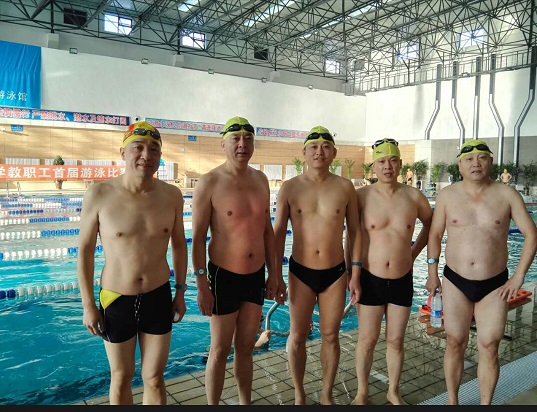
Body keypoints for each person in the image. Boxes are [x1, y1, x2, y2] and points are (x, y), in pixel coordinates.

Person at [77, 121, 188, 405]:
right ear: (123, 153)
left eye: (154, 149)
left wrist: (180, 292)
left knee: (154, 378)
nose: (146, 155)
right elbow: (85, 251)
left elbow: (179, 245)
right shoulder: (99, 194)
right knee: (121, 376)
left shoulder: (172, 195)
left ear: (160, 156)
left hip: (158, 295)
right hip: (116, 298)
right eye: (138, 147)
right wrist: (88, 305)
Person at [425, 139, 537, 405]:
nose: (476, 163)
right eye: (469, 159)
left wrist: (518, 276)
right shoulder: (447, 195)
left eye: (482, 158)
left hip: (495, 284)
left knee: (489, 346)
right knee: (455, 341)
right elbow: (435, 235)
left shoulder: (507, 195)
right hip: (455, 280)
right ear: (460, 165)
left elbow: (532, 235)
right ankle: (453, 401)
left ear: (490, 162)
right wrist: (432, 272)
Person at [191, 116, 284, 405]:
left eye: (248, 139)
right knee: (219, 350)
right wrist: (201, 285)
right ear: (224, 144)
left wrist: (274, 274)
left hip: (255, 276)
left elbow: (267, 231)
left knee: (245, 348)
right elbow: (197, 239)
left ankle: (245, 403)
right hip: (223, 276)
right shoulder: (209, 182)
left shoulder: (261, 180)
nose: (242, 144)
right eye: (236, 139)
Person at [274, 126, 362, 405]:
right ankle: (299, 394)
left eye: (326, 146)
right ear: (304, 152)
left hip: (335, 273)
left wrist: (355, 273)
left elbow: (355, 233)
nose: (319, 151)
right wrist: (275, 275)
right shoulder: (290, 188)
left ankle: (326, 395)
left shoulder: (345, 187)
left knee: (330, 336)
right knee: (297, 335)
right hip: (300, 272)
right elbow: (278, 234)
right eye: (314, 146)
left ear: (334, 153)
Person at [350, 138, 432, 405]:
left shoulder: (414, 197)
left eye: (393, 161)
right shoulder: (361, 196)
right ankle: (362, 392)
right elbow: (351, 237)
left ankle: (393, 392)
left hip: (402, 278)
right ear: (373, 165)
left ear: (400, 164)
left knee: (396, 340)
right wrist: (351, 273)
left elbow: (432, 226)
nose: (388, 166)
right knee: (367, 339)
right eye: (382, 161)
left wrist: (413, 253)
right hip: (369, 277)